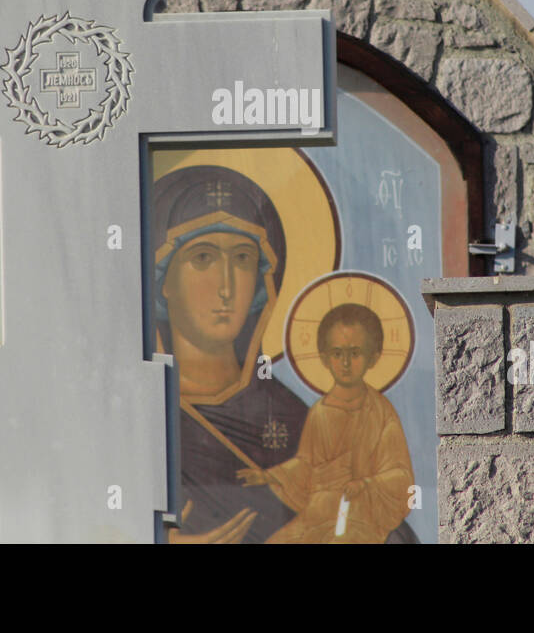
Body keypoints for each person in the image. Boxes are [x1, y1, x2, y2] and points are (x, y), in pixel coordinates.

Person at [153, 165, 309, 544]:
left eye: (241, 259)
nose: (226, 287)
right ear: (162, 280)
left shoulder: (296, 422)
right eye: (203, 258)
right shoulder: (134, 410)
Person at [236, 303, 415, 543]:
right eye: (337, 353)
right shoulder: (320, 412)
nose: (345, 363)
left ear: (373, 357)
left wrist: (366, 484)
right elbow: (306, 464)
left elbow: (399, 473)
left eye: (355, 353)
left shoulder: (379, 410)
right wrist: (269, 476)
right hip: (318, 512)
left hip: (358, 512)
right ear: (324, 357)